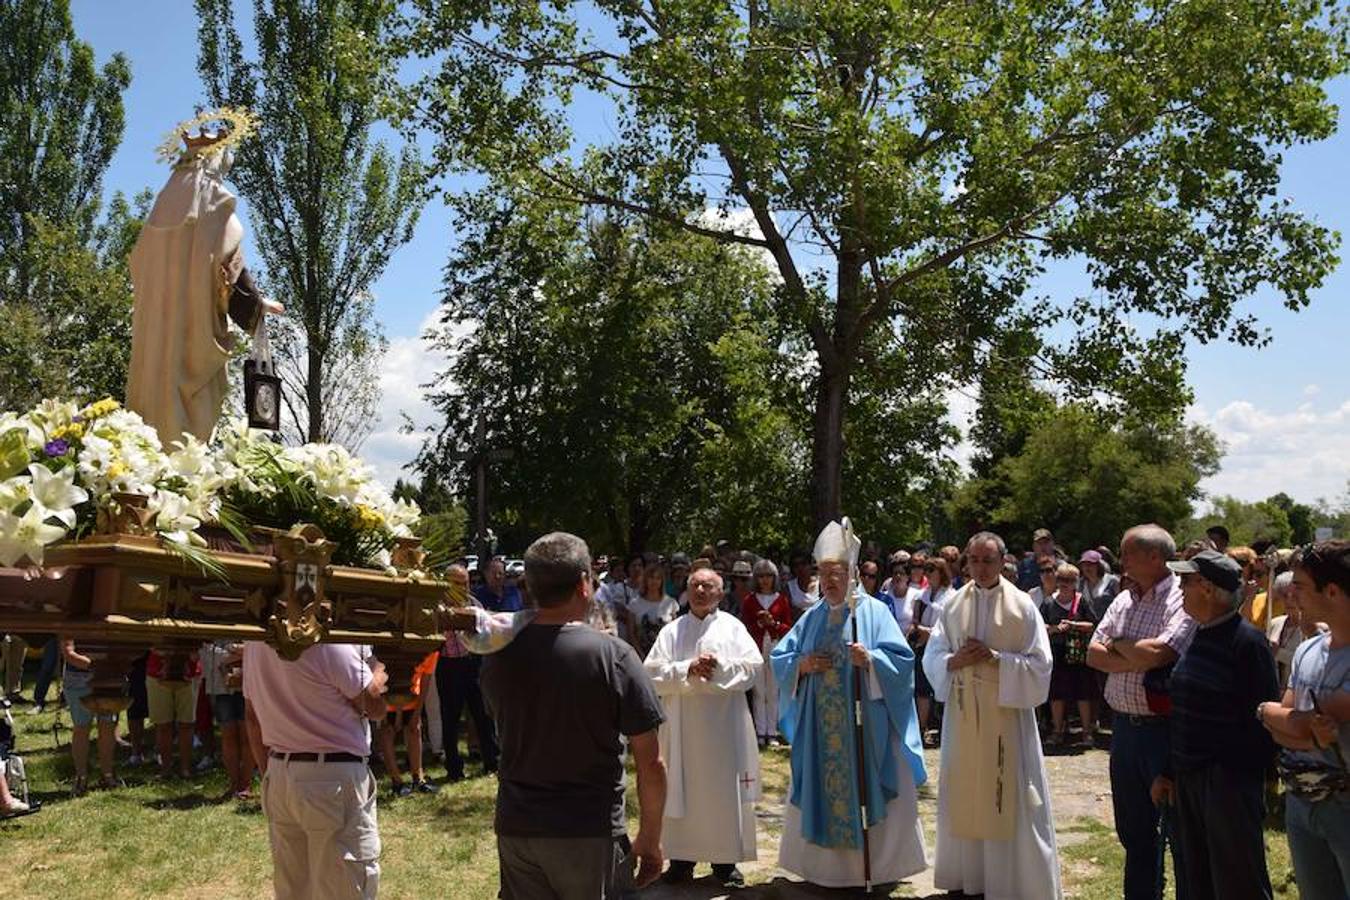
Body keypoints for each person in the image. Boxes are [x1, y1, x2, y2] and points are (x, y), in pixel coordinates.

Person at [480, 531, 667, 899]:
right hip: (588, 830)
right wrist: (650, 838)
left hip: (518, 827)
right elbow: (651, 762)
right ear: (584, 583)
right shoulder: (615, 656)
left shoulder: (498, 657)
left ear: (529, 585)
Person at [770, 519, 928, 890]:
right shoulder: (812, 617)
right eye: (823, 573)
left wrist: (871, 659)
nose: (829, 581)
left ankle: (873, 871)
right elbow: (781, 658)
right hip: (820, 729)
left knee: (867, 786)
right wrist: (802, 666)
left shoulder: (872, 613)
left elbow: (902, 663)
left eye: (836, 573)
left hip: (866, 725)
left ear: (852, 574)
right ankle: (825, 871)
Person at [128, 112, 282, 444]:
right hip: (190, 327)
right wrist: (254, 305)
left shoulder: (164, 201)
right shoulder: (211, 197)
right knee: (185, 428)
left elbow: (139, 263)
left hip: (154, 331)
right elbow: (224, 263)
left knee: (152, 407)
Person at [923, 532, 1062, 899]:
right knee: (966, 789)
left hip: (1007, 718)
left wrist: (996, 659)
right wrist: (955, 661)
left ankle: (1012, 881)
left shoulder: (1022, 606)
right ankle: (971, 879)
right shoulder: (952, 605)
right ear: (966, 562)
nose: (981, 568)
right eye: (975, 560)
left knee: (1009, 792)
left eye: (988, 561)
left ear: (1003, 562)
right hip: (964, 715)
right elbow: (932, 655)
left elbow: (1041, 665)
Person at [1149, 550, 1278, 900]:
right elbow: (1184, 713)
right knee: (1198, 879)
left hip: (1227, 783)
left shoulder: (1249, 644)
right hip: (1191, 778)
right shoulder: (1200, 635)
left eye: (1185, 582)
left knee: (1238, 882)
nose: (1179, 589)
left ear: (1206, 588)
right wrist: (1169, 771)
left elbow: (1262, 722)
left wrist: (1231, 784)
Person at [1087, 524, 1195, 900]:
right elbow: (1091, 654)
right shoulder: (1124, 598)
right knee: (1134, 832)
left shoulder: (1182, 598)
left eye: (1128, 553)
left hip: (1164, 732)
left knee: (1179, 831)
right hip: (1125, 733)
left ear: (1154, 557)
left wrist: (1116, 644)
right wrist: (1133, 654)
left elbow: (1161, 655)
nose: (1122, 560)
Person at [243, 640, 388, 900]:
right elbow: (374, 707)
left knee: (294, 889)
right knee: (345, 888)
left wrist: (272, 772)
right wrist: (377, 671)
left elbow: (251, 716)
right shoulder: (328, 642)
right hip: (332, 778)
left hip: (280, 773)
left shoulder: (255, 643)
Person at [646, 567, 762, 888]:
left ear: (720, 593)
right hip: (682, 728)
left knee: (722, 792)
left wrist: (719, 669)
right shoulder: (672, 631)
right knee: (682, 788)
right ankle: (681, 861)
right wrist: (688, 669)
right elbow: (651, 674)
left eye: (708, 585)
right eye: (695, 585)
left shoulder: (733, 628)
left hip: (724, 729)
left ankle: (725, 863)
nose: (700, 590)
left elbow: (753, 669)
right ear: (686, 590)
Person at [1258, 540, 1350, 900]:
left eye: (1299, 585)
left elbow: (1292, 722)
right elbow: (1287, 727)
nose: (1290, 594)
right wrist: (1271, 715)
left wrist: (1271, 714)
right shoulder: (1310, 649)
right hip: (1302, 803)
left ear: (1332, 590)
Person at [436, 564, 499, 781]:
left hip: (472, 663)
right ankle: (454, 769)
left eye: (466, 583)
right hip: (448, 665)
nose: (463, 587)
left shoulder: (473, 603)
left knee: (483, 714)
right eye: (458, 583)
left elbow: (487, 630)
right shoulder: (437, 605)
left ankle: (492, 761)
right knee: (450, 718)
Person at [1040, 563, 1100, 748]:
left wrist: (1073, 625)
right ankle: (1057, 731)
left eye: (1069, 580)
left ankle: (1086, 732)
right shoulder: (1049, 602)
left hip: (1078, 653)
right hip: (1057, 653)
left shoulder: (1082, 601)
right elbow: (1040, 627)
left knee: (1083, 694)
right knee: (1056, 695)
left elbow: (1093, 624)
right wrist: (1056, 628)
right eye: (1061, 579)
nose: (1064, 583)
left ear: (1076, 582)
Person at [740, 558, 793, 747]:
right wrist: (759, 624)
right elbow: (744, 627)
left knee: (773, 690)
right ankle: (760, 731)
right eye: (761, 576)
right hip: (755, 646)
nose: (764, 580)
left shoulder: (782, 600)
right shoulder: (749, 600)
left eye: (768, 576)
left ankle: (772, 732)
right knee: (758, 691)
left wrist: (774, 624)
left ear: (774, 577)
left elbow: (788, 628)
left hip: (775, 645)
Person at [375, 651, 440, 797]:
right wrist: (383, 705)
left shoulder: (430, 650)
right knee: (387, 730)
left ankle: (418, 778)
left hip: (413, 697)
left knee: (414, 729)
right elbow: (377, 669)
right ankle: (396, 781)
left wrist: (418, 711)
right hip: (387, 694)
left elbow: (426, 678)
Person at [60, 637, 119, 795]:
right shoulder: (71, 622)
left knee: (107, 726)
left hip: (108, 679)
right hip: (78, 683)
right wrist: (97, 666)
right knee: (81, 728)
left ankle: (107, 775)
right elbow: (68, 653)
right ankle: (81, 777)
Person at [909, 556, 954, 746]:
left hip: (943, 647)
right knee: (922, 690)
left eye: (931, 569)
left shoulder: (951, 596)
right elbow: (915, 620)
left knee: (942, 688)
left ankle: (945, 730)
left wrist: (930, 633)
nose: (926, 573)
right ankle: (921, 728)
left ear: (941, 572)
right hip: (922, 647)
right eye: (925, 569)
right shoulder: (921, 595)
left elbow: (950, 625)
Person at [202, 639, 255, 800]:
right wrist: (237, 652)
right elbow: (209, 654)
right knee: (228, 735)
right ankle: (234, 783)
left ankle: (245, 784)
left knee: (248, 736)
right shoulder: (213, 630)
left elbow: (257, 651)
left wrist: (230, 651)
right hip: (221, 690)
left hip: (248, 687)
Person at [146, 647, 201, 779]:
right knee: (163, 724)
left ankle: (185, 769)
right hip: (156, 673)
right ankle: (166, 770)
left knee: (186, 724)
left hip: (190, 673)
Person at [1266, 571, 1325, 688]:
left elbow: (1313, 662)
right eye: (1284, 595)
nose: (1289, 600)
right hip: (1274, 689)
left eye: (1293, 595)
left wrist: (1279, 653)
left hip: (1298, 690)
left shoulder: (1314, 627)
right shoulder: (1275, 623)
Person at [624, 554, 678, 659]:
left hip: (665, 655)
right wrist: (640, 654)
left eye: (658, 578)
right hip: (641, 654)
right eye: (651, 578)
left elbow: (675, 632)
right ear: (646, 580)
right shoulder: (634, 604)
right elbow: (631, 634)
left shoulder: (671, 603)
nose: (654, 581)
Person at [1079, 550, 1120, 621]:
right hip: (1090, 627)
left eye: (1090, 564)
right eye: (1084, 565)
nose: (1087, 567)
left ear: (1098, 566)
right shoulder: (1081, 584)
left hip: (1111, 622)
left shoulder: (1112, 581)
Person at [786, 550, 818, 616]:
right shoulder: (789, 587)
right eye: (796, 565)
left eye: (803, 564)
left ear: (810, 565)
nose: (800, 568)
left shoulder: (822, 584)